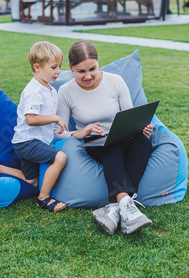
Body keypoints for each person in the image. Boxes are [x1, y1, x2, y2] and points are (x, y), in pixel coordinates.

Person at [56, 40, 154, 234]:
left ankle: (116, 208)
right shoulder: (65, 91)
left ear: (99, 62)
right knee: (112, 147)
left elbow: (130, 115)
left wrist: (142, 128)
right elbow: (58, 133)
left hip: (124, 136)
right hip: (96, 142)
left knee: (143, 142)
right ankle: (127, 208)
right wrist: (79, 133)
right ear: (70, 68)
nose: (88, 76)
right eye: (80, 71)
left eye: (92, 69)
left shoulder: (115, 81)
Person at [12, 41, 69, 213]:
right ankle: (43, 198)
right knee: (60, 158)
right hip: (28, 142)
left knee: (32, 183)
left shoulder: (50, 89)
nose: (58, 71)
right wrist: (55, 118)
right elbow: (31, 119)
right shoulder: (34, 91)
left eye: (59, 66)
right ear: (37, 67)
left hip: (27, 142)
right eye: (53, 67)